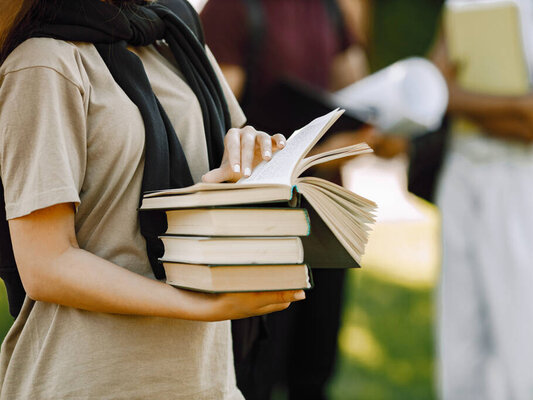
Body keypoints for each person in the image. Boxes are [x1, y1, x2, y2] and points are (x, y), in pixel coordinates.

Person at [0, 0, 306, 398]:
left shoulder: (175, 35)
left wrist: (245, 156)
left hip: (206, 381)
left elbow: (226, 162)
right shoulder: (45, 63)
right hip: (92, 380)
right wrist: (200, 305)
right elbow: (47, 265)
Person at [200, 1, 379, 399]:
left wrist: (374, 126)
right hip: (262, 222)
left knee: (314, 372)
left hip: (323, 214)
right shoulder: (228, 10)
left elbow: (360, 94)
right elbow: (214, 125)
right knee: (256, 371)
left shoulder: (329, 9)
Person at [431, 0, 533, 399]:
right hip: (462, 176)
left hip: (526, 185)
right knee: (461, 339)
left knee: (532, 340)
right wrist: (520, 106)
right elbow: (433, 86)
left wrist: (457, 99)